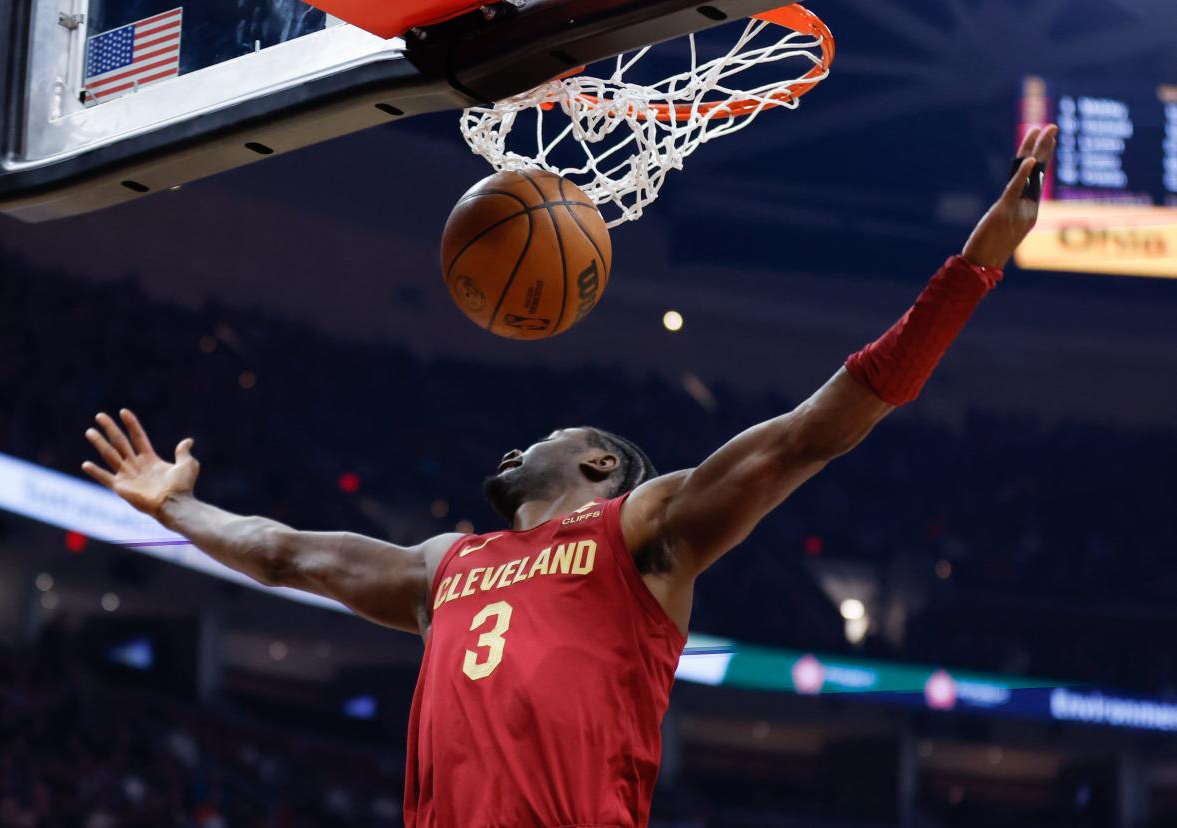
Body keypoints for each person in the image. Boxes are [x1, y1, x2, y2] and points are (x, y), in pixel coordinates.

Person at [82, 125, 1059, 828]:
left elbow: (813, 431)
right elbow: (288, 555)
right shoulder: (443, 565)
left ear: (600, 463)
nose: (514, 447)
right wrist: (180, 504)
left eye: (546, 431)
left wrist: (973, 268)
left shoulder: (644, 535)